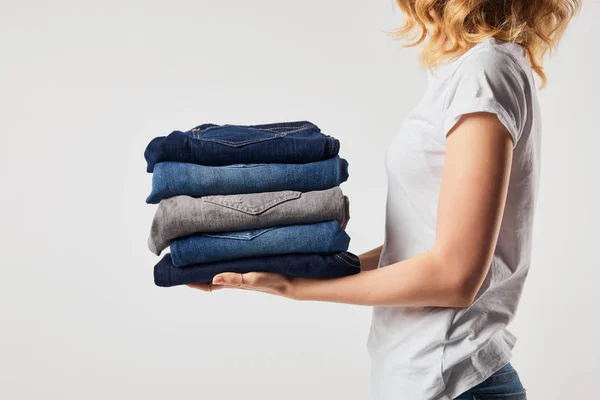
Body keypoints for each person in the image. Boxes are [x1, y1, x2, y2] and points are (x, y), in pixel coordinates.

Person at [187, 1, 581, 398]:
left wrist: (293, 286)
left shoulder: (485, 72)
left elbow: (454, 276)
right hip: (433, 375)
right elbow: (426, 246)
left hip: (448, 378)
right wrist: (296, 266)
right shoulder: (477, 69)